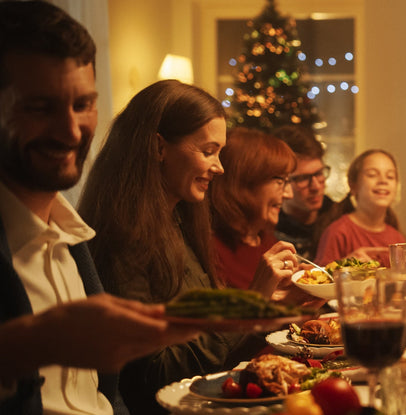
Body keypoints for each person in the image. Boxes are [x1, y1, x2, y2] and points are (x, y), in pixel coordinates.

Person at [0, 0, 197, 414]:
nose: (71, 131)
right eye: (40, 108)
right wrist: (22, 345)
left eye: (83, 105)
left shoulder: (72, 231)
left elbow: (105, 396)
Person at [80, 81, 300, 413]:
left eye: (220, 153)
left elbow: (211, 359)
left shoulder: (179, 222)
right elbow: (157, 376)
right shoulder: (124, 238)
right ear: (159, 148)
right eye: (208, 151)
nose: (219, 167)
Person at [208, 127, 301, 290]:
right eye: (281, 181)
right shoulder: (210, 250)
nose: (289, 194)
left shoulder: (267, 241)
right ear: (244, 182)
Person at [314, 149, 406, 267]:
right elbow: (318, 278)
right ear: (353, 186)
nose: (383, 181)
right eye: (372, 175)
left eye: (390, 176)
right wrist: (345, 266)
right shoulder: (338, 232)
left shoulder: (397, 238)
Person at [271, 125, 338, 260]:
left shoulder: (339, 217)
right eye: (302, 178)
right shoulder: (270, 230)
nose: (316, 186)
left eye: (319, 173)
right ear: (282, 181)